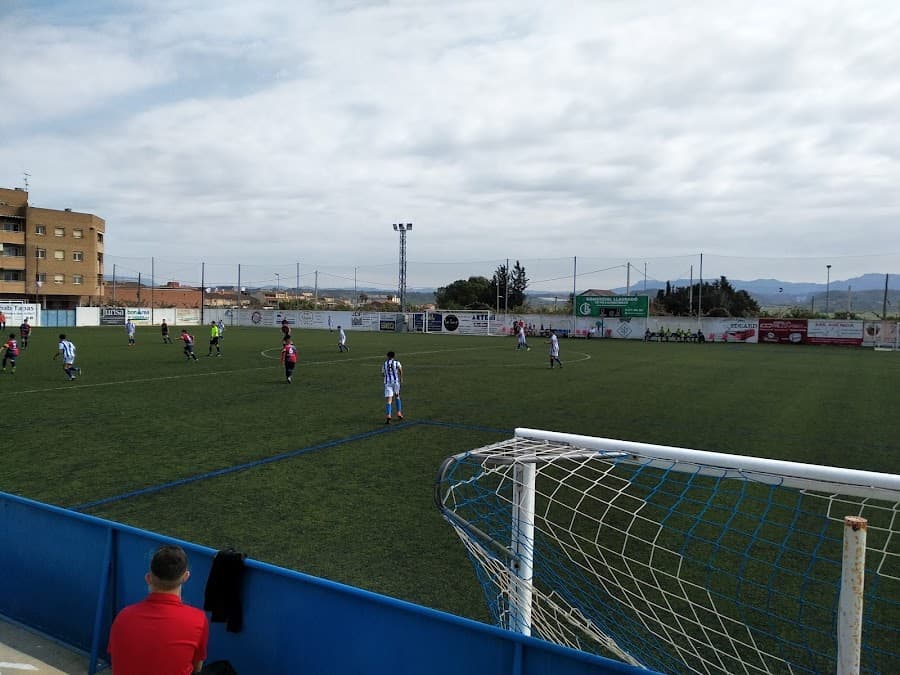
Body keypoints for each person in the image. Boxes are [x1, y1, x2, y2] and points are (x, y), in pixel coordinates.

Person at [108, 544, 208, 675]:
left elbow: (117, 659)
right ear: (186, 577)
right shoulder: (198, 620)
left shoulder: (123, 617)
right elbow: (197, 667)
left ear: (148, 578)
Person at [382, 350, 404, 424]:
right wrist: (401, 378)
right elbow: (400, 369)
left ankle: (388, 415)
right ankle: (399, 413)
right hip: (396, 382)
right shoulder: (397, 362)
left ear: (388, 356)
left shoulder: (384, 364)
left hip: (387, 382)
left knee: (389, 400)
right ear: (394, 356)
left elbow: (383, 374)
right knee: (397, 396)